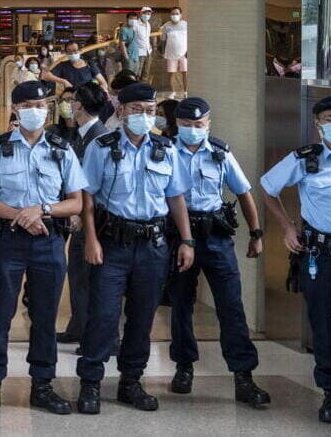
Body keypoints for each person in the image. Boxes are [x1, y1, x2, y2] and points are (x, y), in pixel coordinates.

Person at [75, 82, 195, 415]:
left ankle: (131, 382)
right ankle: (91, 383)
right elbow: (87, 197)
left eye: (150, 110)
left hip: (153, 246)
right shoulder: (102, 147)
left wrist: (186, 240)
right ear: (122, 110)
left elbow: (175, 197)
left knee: (142, 317)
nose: (144, 116)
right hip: (112, 243)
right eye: (137, 110)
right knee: (103, 315)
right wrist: (91, 239)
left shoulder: (165, 148)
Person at [0, 81, 87, 416]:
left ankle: (43, 385)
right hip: (7, 241)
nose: (35, 110)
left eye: (40, 105)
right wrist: (22, 216)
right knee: (1, 314)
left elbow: (76, 202)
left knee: (45, 316)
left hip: (47, 241)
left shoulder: (61, 148)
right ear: (16, 110)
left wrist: (43, 210)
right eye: (27, 105)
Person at [165, 97, 270, 408]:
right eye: (186, 126)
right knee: (181, 304)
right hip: (179, 238)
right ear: (177, 125)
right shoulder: (166, 151)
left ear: (208, 124)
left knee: (231, 307)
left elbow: (243, 191)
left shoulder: (221, 153)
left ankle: (243, 376)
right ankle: (184, 367)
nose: (193, 131)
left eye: (199, 125)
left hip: (216, 238)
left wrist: (256, 233)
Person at [260, 94, 331, 424]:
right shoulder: (305, 159)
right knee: (323, 324)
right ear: (318, 125)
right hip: (321, 252)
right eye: (330, 119)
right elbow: (267, 187)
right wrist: (287, 227)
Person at [56, 84, 110, 347]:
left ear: (78, 105)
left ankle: (96, 336)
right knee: (78, 275)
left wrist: (80, 214)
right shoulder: (81, 134)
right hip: (79, 216)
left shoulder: (98, 137)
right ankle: (79, 327)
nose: (67, 105)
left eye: (71, 101)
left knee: (90, 279)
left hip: (92, 220)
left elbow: (96, 183)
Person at [41, 41, 110, 94]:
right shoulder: (63, 65)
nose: (72, 53)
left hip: (89, 99)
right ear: (66, 53)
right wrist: (63, 81)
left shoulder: (89, 64)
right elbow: (45, 75)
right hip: (72, 99)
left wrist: (100, 92)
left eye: (75, 50)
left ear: (80, 51)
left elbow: (103, 82)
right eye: (69, 51)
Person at [160, 7, 188, 98]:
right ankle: (172, 92)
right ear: (170, 15)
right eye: (172, 14)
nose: (174, 15)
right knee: (171, 73)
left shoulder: (185, 24)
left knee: (185, 73)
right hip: (170, 54)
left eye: (176, 13)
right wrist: (163, 52)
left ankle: (185, 92)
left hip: (184, 53)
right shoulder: (166, 26)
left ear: (181, 15)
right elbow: (163, 40)